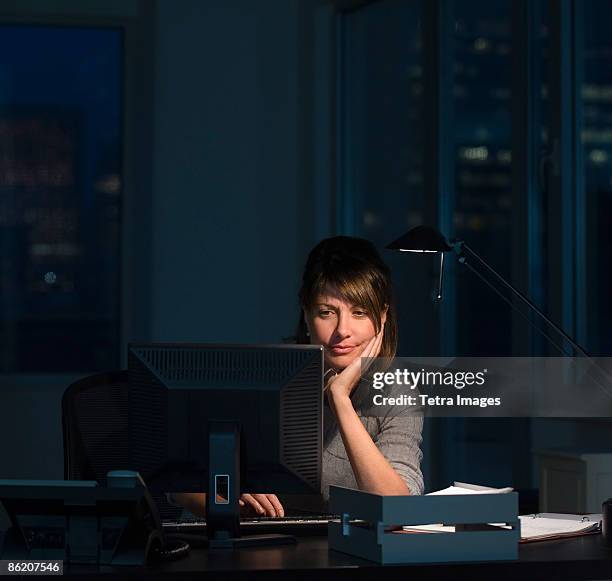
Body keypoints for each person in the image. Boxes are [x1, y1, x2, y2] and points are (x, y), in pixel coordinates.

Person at [171, 236, 424, 517]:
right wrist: (230, 502)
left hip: (340, 554)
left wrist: (340, 399)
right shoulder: (265, 376)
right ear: (306, 313)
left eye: (359, 312)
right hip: (248, 548)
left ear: (383, 316)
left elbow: (398, 511)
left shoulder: (396, 394)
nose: (343, 330)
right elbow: (177, 484)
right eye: (327, 312)